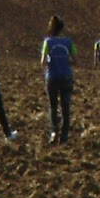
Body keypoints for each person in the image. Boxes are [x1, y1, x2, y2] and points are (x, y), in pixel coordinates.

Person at [40, 15, 75, 144]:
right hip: (66, 76)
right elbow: (75, 61)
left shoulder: (47, 42)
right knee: (66, 107)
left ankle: (54, 132)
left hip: (52, 76)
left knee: (53, 106)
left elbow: (43, 61)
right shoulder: (68, 42)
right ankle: (64, 137)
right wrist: (65, 61)